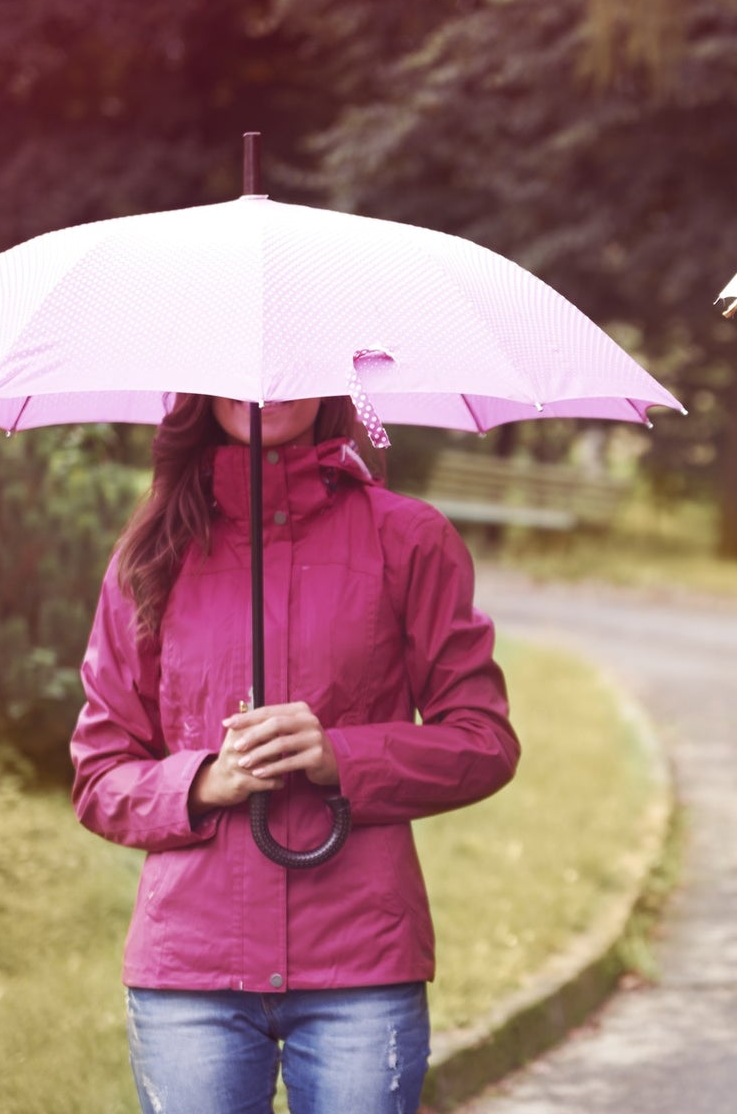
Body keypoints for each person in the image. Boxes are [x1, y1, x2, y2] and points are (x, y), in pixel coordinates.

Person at [70, 392, 517, 1114]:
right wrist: (206, 782)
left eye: (290, 366)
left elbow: (483, 740)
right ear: (198, 386)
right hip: (192, 970)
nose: (263, 387)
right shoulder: (150, 556)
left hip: (361, 965)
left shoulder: (408, 539)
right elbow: (98, 775)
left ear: (329, 380)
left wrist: (340, 754)